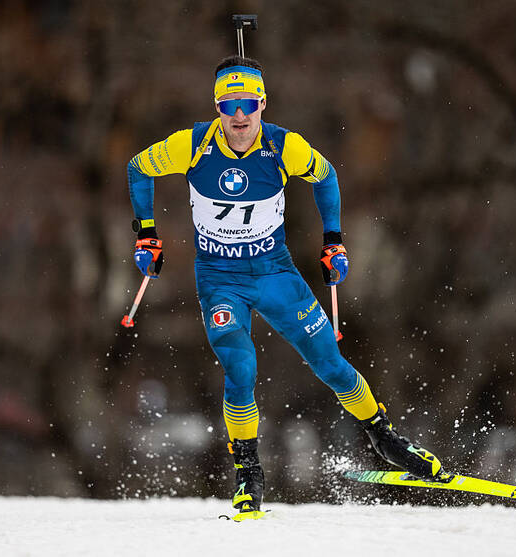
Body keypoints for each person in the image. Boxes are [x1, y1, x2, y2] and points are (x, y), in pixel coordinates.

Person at [127, 55, 442, 519]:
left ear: (262, 104)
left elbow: (326, 176)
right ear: (217, 106)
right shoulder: (192, 145)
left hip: (276, 273)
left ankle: (384, 435)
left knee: (331, 365)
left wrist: (333, 241)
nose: (238, 115)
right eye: (228, 104)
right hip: (220, 279)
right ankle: (248, 473)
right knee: (240, 364)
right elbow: (138, 167)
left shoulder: (282, 146)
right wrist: (147, 234)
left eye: (248, 103)